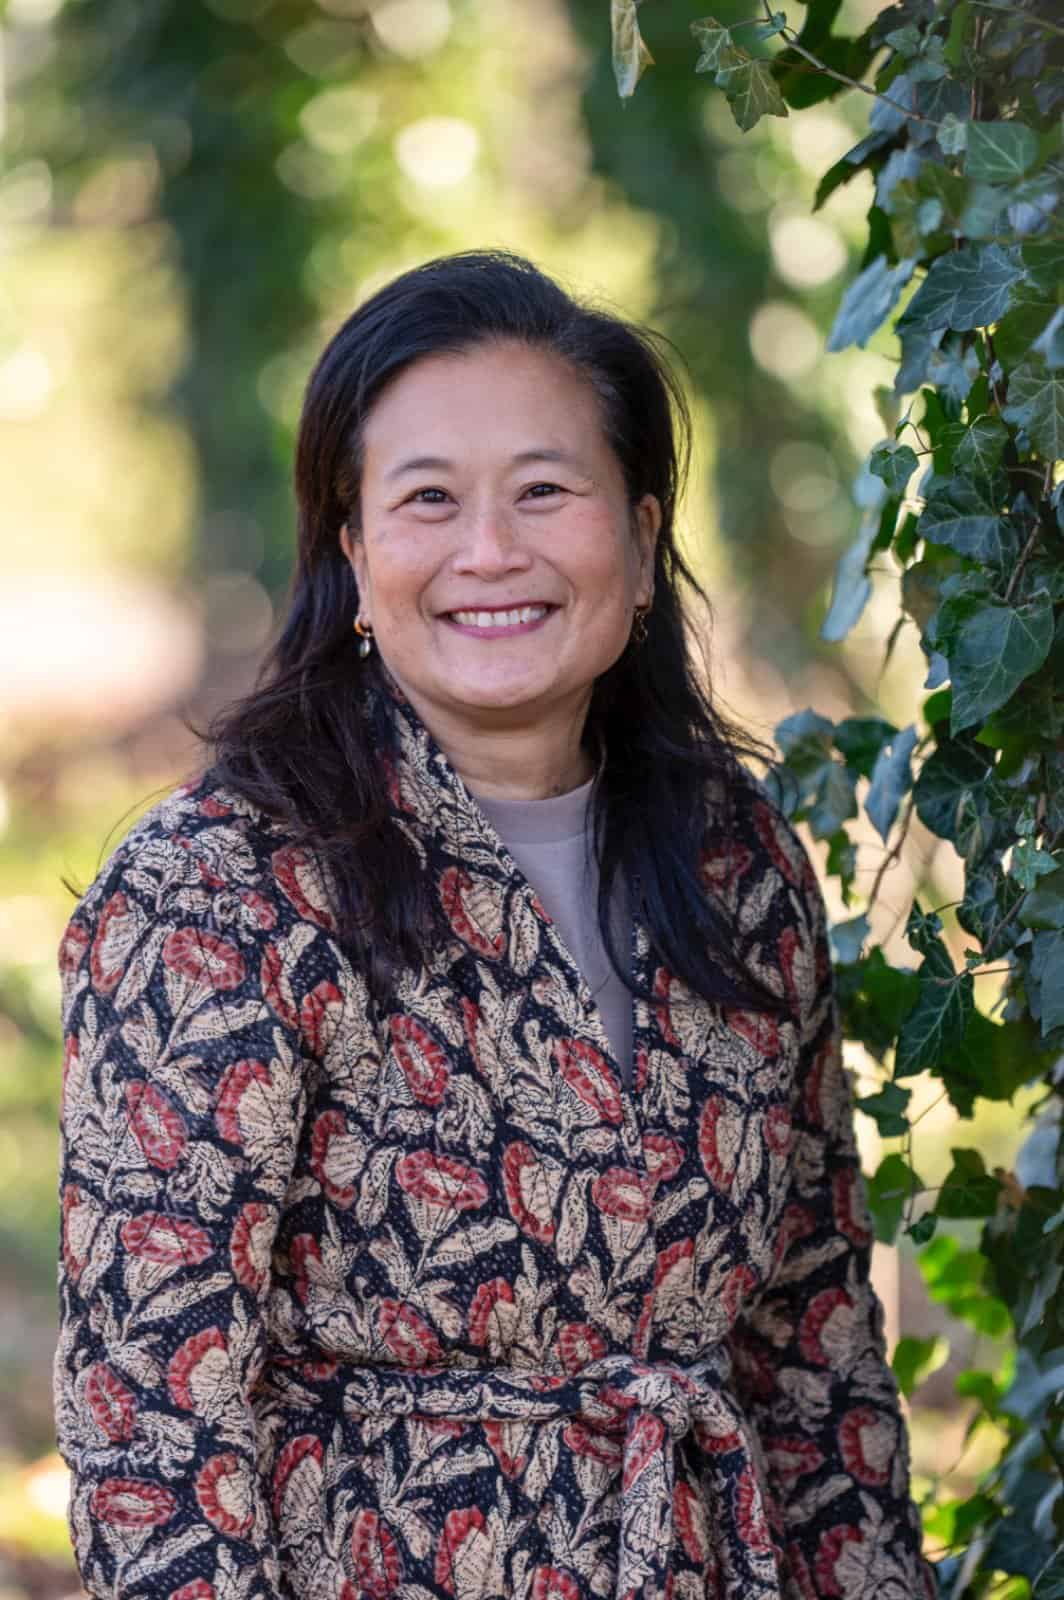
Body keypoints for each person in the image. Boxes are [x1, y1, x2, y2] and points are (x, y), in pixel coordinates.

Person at [55, 250, 934, 1600]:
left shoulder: (737, 866)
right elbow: (151, 1425)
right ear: (352, 557)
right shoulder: (218, 890)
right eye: (428, 499)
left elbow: (815, 1354)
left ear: (641, 539)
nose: (490, 552)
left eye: (544, 490)